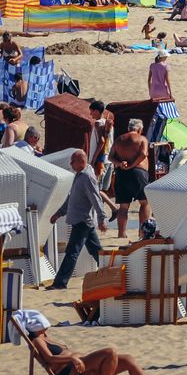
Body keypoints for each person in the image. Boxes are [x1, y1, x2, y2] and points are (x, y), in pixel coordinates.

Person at [16, 310, 145, 375]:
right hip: (71, 370)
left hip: (81, 363)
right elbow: (50, 359)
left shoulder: (45, 337)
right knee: (110, 352)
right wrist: (72, 358)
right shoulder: (38, 340)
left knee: (129, 359)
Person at [48, 150, 107, 290]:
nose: (70, 164)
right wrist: (59, 213)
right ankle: (109, 270)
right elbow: (71, 199)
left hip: (82, 221)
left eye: (73, 161)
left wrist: (102, 218)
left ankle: (60, 283)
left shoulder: (87, 177)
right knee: (97, 251)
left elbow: (96, 198)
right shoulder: (79, 176)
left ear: (81, 161)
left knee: (72, 252)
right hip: (82, 221)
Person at [109, 119, 151, 239]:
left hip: (121, 173)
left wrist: (120, 163)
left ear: (128, 128)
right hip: (138, 173)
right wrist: (133, 165)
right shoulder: (142, 139)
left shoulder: (119, 139)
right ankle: (142, 233)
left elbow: (111, 157)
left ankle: (121, 234)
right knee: (144, 203)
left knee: (123, 206)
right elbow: (143, 154)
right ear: (139, 129)